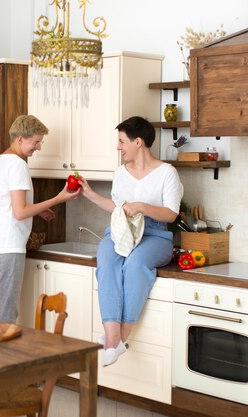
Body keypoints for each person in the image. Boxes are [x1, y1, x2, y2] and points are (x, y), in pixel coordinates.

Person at [78, 116, 183, 367]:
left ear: (138, 142)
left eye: (121, 142)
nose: (118, 147)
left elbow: (170, 214)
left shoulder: (167, 173)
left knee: (134, 264)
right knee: (106, 259)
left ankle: (116, 339)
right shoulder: (120, 173)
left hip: (155, 235)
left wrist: (142, 207)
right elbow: (117, 209)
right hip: (120, 231)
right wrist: (91, 194)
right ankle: (115, 338)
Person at [0, 115, 80, 323]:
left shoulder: (1, 162)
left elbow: (8, 205)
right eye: (36, 142)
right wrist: (58, 198)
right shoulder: (18, 165)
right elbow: (19, 212)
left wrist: (38, 210)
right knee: (5, 316)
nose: (38, 147)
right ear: (20, 139)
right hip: (8, 245)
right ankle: (4, 356)